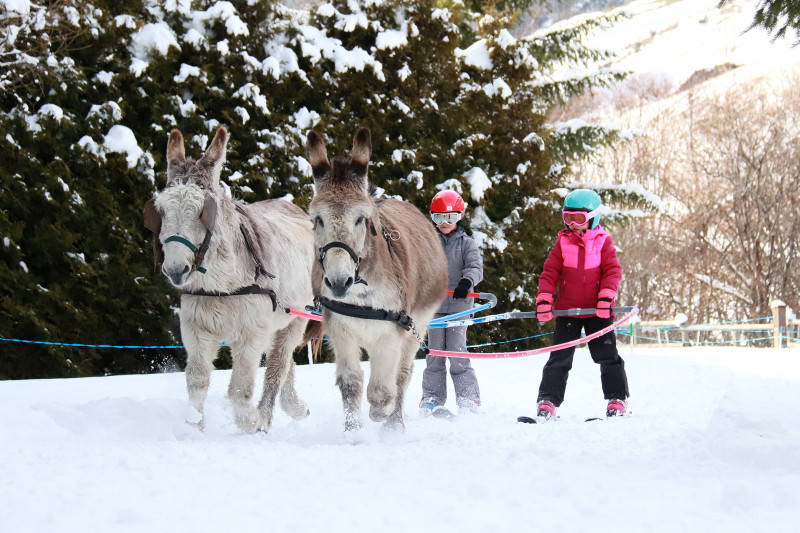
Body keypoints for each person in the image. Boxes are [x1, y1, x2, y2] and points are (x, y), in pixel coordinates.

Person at [533, 189, 629, 421]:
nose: (573, 224)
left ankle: (617, 398)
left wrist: (606, 297)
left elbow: (613, 271)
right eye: (568, 218)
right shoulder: (563, 242)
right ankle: (548, 400)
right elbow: (550, 272)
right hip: (568, 311)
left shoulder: (603, 242)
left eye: (579, 219)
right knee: (560, 357)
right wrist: (545, 299)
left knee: (607, 356)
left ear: (594, 217)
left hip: (597, 311)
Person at [419, 190, 484, 416]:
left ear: (460, 216)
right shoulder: (428, 242)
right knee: (435, 355)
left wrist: (466, 282)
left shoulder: (467, 244)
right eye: (438, 218)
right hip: (435, 308)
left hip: (458, 308)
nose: (445, 224)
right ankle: (432, 397)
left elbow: (475, 268)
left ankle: (468, 398)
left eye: (450, 218)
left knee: (457, 353)